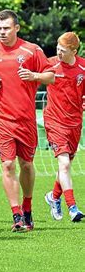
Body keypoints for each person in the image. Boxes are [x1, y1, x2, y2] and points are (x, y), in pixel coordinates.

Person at [0, 9, 54, 231]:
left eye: (6, 28)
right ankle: (17, 215)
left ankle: (27, 208)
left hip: (25, 118)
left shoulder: (31, 50)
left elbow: (51, 76)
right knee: (8, 164)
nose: (2, 32)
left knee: (27, 165)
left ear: (16, 28)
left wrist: (35, 76)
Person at [44, 32, 84, 222]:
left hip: (75, 123)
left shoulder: (83, 66)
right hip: (54, 121)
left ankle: (53, 197)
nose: (58, 53)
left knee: (64, 167)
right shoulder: (50, 65)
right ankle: (73, 208)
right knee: (64, 163)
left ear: (74, 51)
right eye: (57, 48)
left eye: (63, 50)